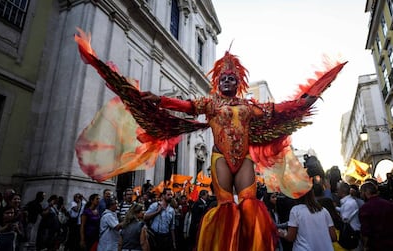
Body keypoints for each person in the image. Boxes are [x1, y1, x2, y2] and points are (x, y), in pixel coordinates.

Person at [74, 29, 347, 250]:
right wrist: (160, 100)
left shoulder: (248, 106)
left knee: (251, 204)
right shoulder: (210, 103)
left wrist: (306, 99)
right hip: (219, 158)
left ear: (238, 82)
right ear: (218, 83)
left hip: (244, 159)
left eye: (231, 77)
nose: (227, 80)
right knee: (226, 206)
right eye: (223, 78)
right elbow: (186, 105)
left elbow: (278, 109)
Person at [359, 181, 393, 250]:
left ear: (366, 192)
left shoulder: (365, 208)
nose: (361, 195)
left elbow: (365, 231)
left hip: (376, 244)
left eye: (361, 192)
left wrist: (365, 246)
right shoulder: (389, 204)